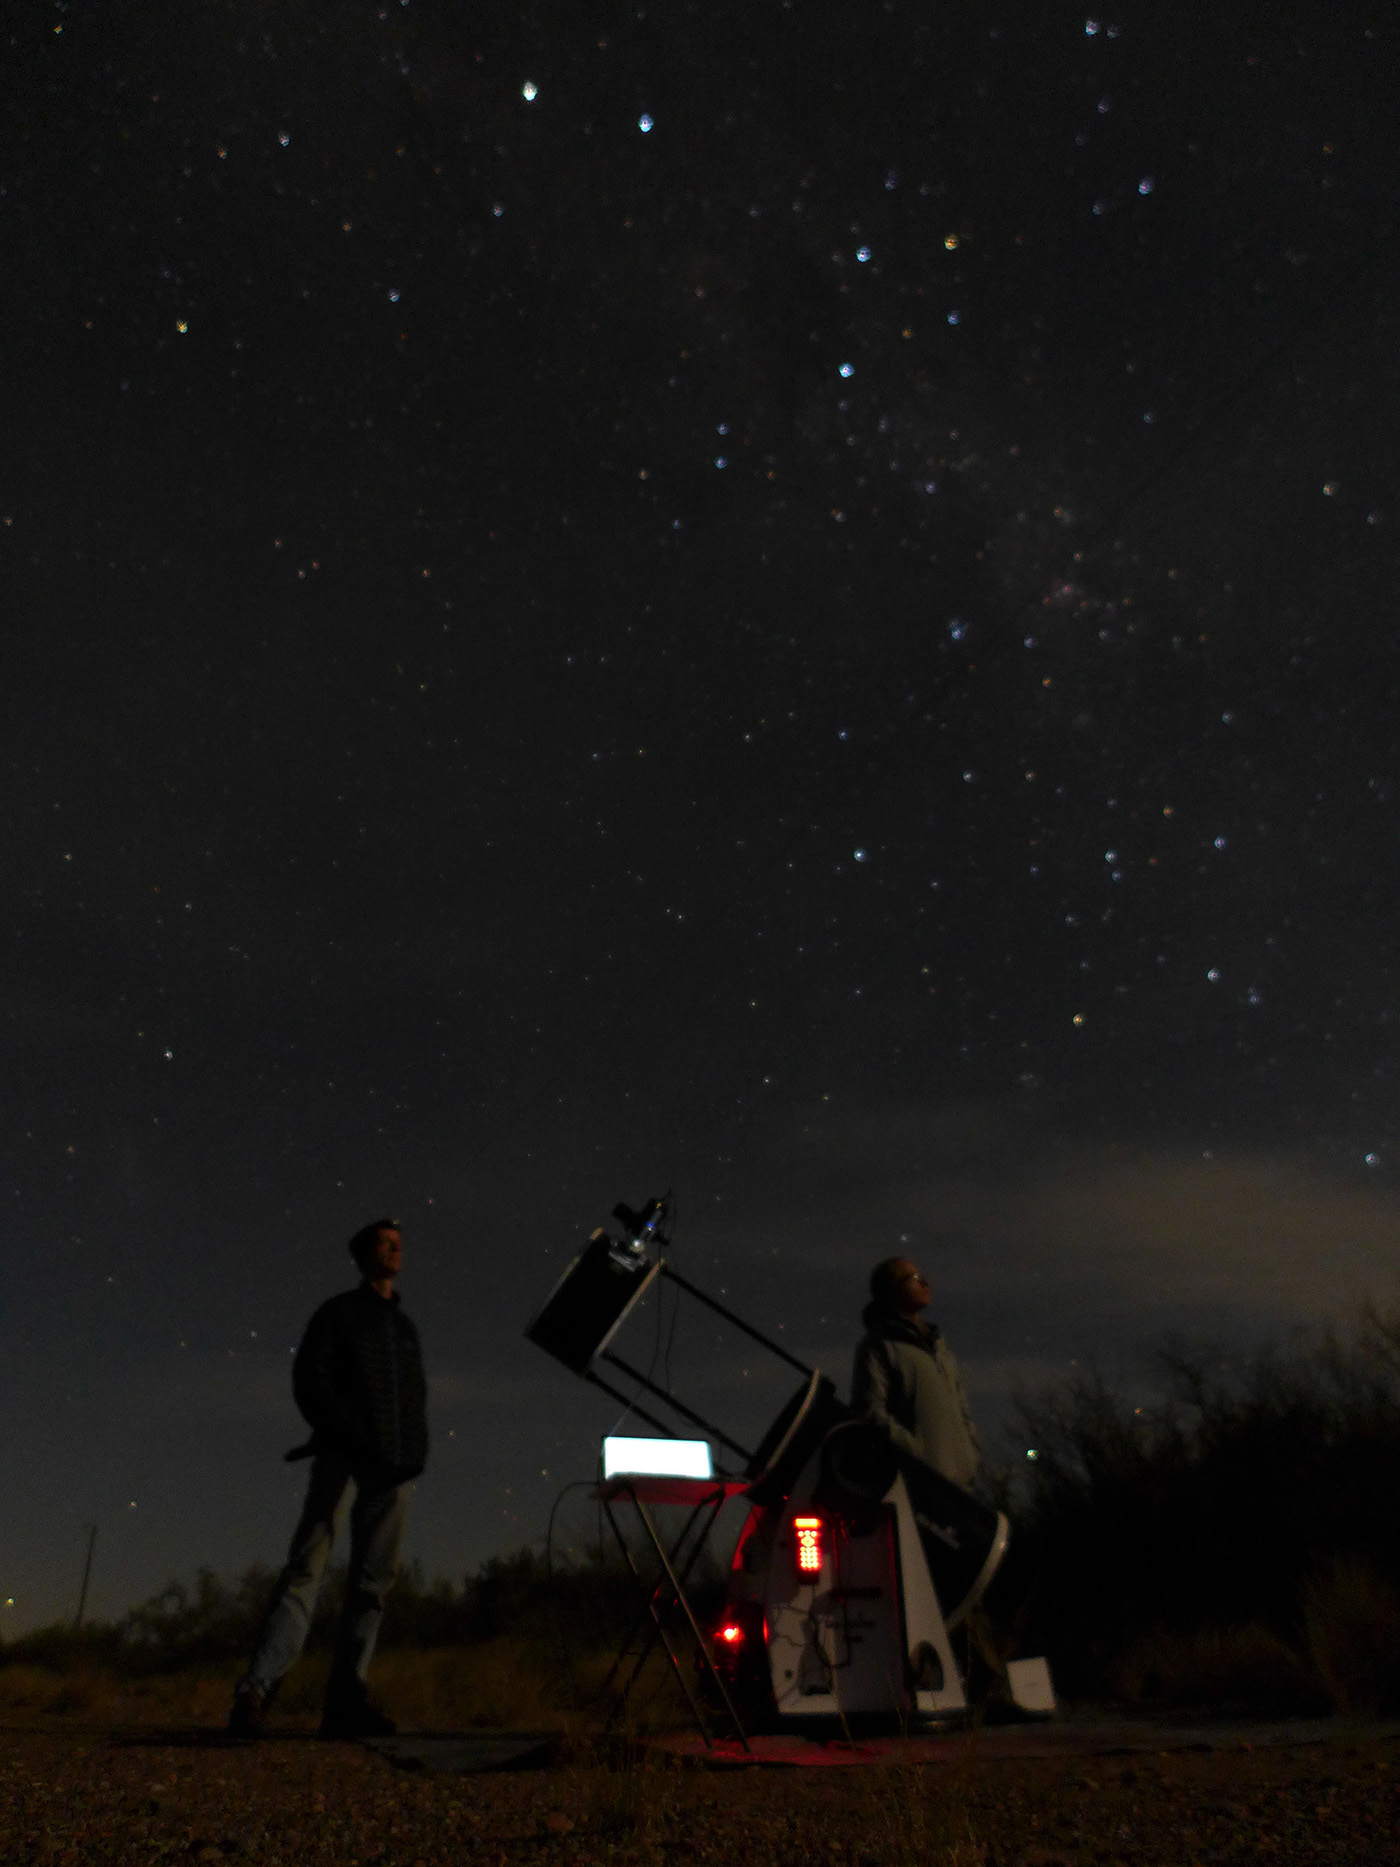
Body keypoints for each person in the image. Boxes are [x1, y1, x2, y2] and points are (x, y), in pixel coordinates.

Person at [228, 1218, 428, 1739]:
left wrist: (414, 1452)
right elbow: (310, 1379)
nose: (395, 1250)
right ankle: (258, 1689)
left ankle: (346, 1703)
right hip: (343, 1456)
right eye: (385, 1244)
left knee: (373, 1586)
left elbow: (414, 1397)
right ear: (365, 1256)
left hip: (393, 1468)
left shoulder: (404, 1329)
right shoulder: (340, 1314)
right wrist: (344, 1430)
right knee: (307, 1569)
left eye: (399, 1245)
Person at [850, 1256, 981, 1487]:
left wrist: (971, 1453)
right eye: (915, 1278)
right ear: (892, 1289)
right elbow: (869, 1411)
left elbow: (961, 1408)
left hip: (962, 1485)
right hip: (919, 1484)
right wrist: (918, 1454)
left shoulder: (940, 1348)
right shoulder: (880, 1346)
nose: (926, 1283)